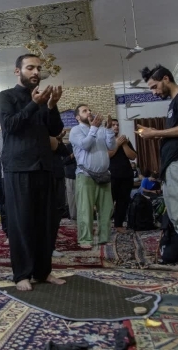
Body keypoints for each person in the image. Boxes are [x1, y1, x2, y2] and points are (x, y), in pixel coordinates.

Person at [0, 54, 65, 291]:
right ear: (18, 71)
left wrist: (51, 106)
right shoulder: (5, 97)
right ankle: (22, 274)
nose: (36, 72)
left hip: (44, 166)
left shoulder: (43, 99)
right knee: (21, 222)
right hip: (18, 167)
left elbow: (55, 130)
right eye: (30, 68)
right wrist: (34, 104)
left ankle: (43, 271)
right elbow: (10, 125)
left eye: (38, 68)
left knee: (46, 222)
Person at [138, 64, 178, 277]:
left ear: (166, 79)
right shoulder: (174, 103)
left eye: (155, 87)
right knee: (176, 215)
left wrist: (156, 133)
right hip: (171, 165)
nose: (154, 92)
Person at [69, 105, 116, 249]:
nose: (89, 112)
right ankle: (85, 239)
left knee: (106, 209)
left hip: (104, 175)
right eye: (85, 111)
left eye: (89, 110)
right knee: (86, 209)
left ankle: (104, 238)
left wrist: (109, 130)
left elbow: (111, 146)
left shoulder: (101, 129)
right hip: (86, 175)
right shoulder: (75, 130)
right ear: (78, 117)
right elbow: (85, 145)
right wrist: (94, 128)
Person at [108, 119, 137, 233]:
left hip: (126, 175)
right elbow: (107, 155)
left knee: (123, 201)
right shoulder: (105, 140)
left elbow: (133, 156)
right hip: (111, 176)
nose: (116, 127)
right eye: (113, 125)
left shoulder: (125, 141)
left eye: (117, 125)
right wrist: (117, 144)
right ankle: (105, 225)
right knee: (108, 202)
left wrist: (124, 144)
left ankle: (118, 224)